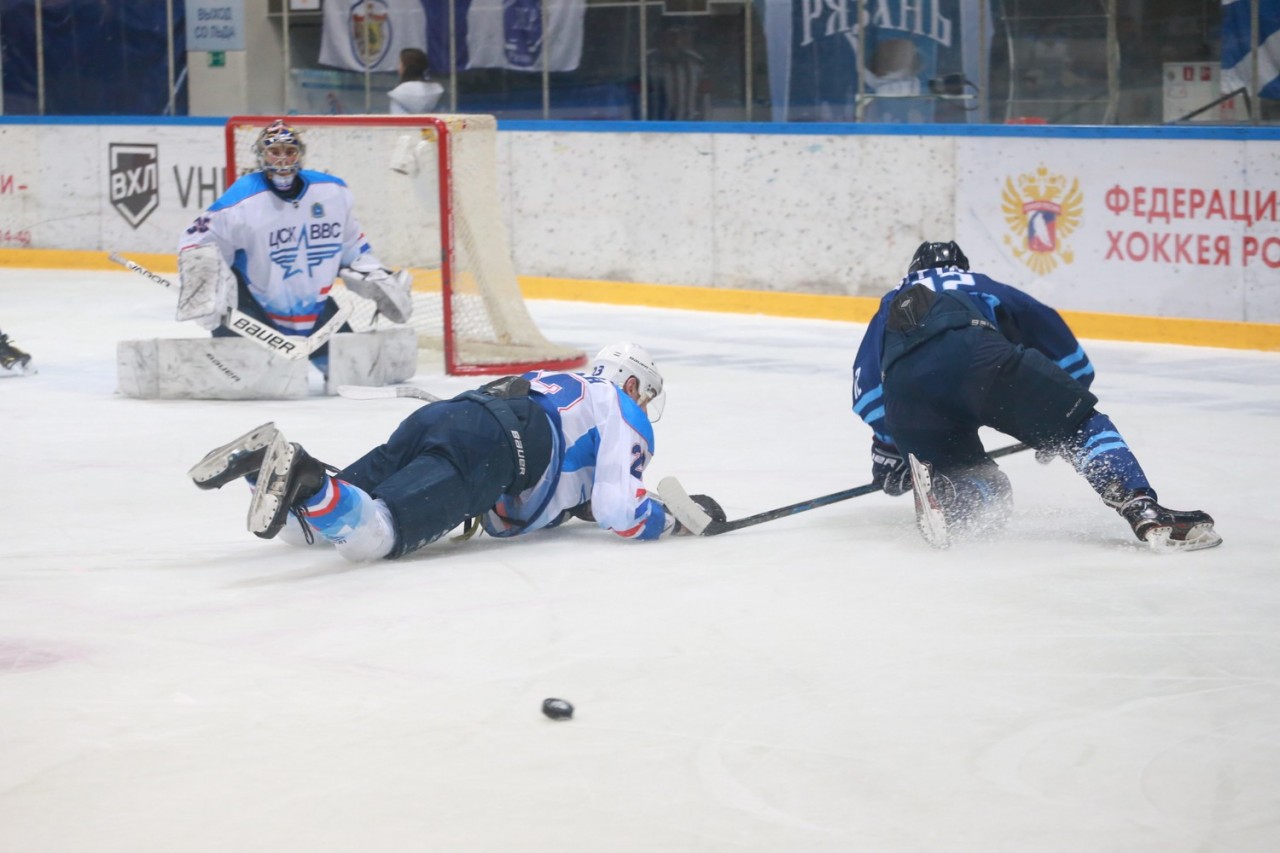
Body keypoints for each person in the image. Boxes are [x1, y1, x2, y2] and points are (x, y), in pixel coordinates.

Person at [188, 343, 719, 562]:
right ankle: (307, 475)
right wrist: (669, 518)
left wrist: (571, 503)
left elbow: (563, 484)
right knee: (372, 538)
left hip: (445, 416)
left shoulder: (564, 380)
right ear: (632, 384)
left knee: (303, 531)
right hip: (494, 449)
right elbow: (621, 513)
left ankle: (266, 470)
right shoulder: (625, 412)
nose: (645, 405)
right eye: (645, 393)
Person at [851, 240, 1220, 552]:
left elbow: (867, 387)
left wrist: (890, 448)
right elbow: (1071, 361)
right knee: (1084, 428)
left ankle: (950, 495)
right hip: (980, 357)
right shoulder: (982, 285)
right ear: (961, 266)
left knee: (980, 480)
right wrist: (1056, 422)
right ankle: (1140, 505)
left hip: (908, 394)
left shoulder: (891, 303)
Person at [176, 119, 412, 369]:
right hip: (252, 310)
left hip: (315, 310)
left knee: (352, 373)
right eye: (274, 151)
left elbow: (351, 245)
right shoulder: (242, 201)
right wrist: (205, 289)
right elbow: (196, 242)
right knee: (254, 383)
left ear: (300, 155)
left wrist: (374, 274)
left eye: (289, 151)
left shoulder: (331, 192)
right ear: (261, 155)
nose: (282, 159)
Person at [646, 27, 710, 121]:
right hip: (657, 125)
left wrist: (704, 124)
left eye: (679, 35)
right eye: (670, 36)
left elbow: (705, 95)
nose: (675, 40)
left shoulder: (697, 61)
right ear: (660, 38)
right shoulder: (648, 61)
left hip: (689, 124)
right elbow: (638, 96)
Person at [388, 47, 444, 114]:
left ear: (407, 67)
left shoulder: (397, 94)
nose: (398, 67)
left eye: (400, 63)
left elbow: (398, 120)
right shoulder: (437, 90)